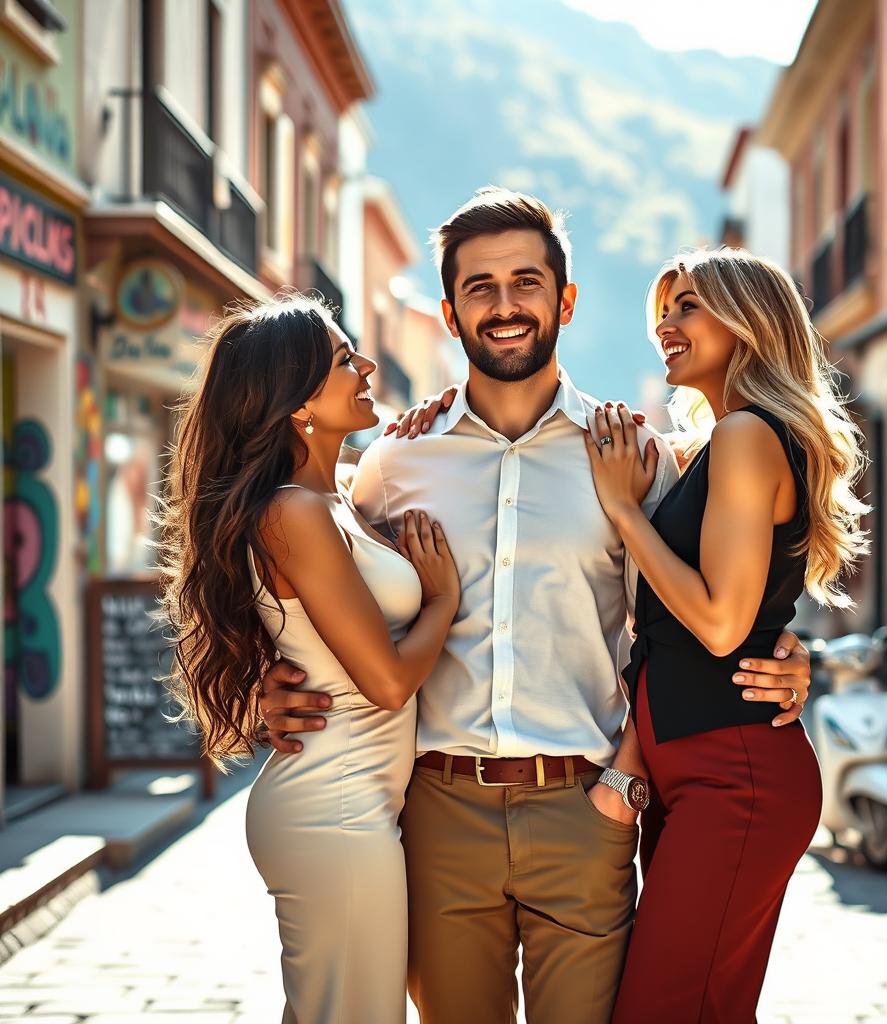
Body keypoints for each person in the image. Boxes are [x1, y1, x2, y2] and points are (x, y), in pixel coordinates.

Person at [257, 189, 813, 1024]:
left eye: (526, 281)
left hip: (584, 809)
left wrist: (783, 661)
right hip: (438, 813)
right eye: (480, 287)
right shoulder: (396, 461)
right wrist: (265, 680)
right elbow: (317, 593)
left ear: (566, 300)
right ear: (449, 312)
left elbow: (689, 625)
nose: (506, 304)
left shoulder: (637, 457)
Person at [159, 295, 460, 1023]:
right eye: (343, 361)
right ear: (298, 403)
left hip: (361, 806)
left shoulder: (343, 497)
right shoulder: (293, 510)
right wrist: (444, 602)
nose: (366, 367)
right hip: (335, 812)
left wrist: (426, 428)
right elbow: (387, 683)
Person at [584, 248, 868, 1023]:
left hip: (732, 776)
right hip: (696, 770)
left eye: (689, 308)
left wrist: (625, 513)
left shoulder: (747, 434)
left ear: (748, 322)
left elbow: (717, 624)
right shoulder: (721, 442)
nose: (665, 328)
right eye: (663, 312)